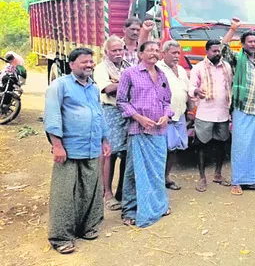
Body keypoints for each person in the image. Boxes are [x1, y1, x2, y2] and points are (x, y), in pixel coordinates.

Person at [44, 48, 111, 254]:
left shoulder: (92, 87)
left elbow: (99, 114)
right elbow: (52, 116)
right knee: (65, 193)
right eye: (84, 62)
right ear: (72, 64)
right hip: (69, 149)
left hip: (91, 147)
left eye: (91, 62)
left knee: (90, 189)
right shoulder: (60, 85)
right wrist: (57, 145)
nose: (89, 65)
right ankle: (61, 237)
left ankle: (88, 227)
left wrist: (104, 139)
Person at [116, 41, 173, 227]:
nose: (154, 53)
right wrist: (139, 118)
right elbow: (121, 101)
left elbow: (167, 101)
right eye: (150, 50)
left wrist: (166, 115)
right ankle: (130, 210)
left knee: (157, 171)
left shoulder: (163, 75)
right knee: (134, 171)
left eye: (157, 50)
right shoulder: (129, 74)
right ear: (140, 54)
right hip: (138, 130)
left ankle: (158, 205)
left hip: (159, 131)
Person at [221, 18, 255, 196]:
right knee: (240, 146)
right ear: (242, 44)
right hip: (241, 109)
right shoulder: (237, 59)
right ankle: (237, 182)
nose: (253, 44)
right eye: (249, 41)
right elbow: (222, 49)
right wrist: (232, 29)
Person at [189, 39, 233, 192]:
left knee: (222, 144)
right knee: (201, 145)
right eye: (214, 51)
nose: (217, 53)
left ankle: (218, 174)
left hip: (222, 112)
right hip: (205, 113)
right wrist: (196, 91)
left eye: (218, 51)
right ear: (206, 51)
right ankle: (202, 178)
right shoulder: (198, 68)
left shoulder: (226, 66)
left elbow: (230, 85)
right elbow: (192, 87)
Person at [93, 36, 131, 212]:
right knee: (110, 153)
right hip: (110, 112)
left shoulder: (126, 66)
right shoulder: (101, 68)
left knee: (126, 152)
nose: (118, 53)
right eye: (114, 50)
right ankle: (107, 193)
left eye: (120, 49)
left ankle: (121, 191)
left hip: (126, 112)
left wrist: (118, 82)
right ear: (106, 52)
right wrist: (125, 81)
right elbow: (107, 89)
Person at [157, 41, 192, 191]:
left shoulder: (182, 70)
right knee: (161, 149)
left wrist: (190, 110)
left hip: (180, 114)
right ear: (164, 53)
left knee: (174, 148)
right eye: (174, 53)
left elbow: (187, 90)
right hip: (164, 116)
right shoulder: (158, 68)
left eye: (178, 53)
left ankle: (166, 177)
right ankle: (157, 180)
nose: (177, 56)